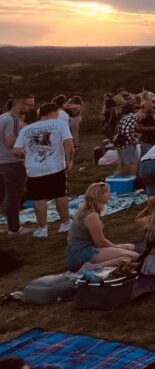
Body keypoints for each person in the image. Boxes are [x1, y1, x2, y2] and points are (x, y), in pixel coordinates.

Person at [13, 101, 74, 238]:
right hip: (56, 166)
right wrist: (70, 161)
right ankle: (65, 223)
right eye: (57, 113)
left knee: (38, 198)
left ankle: (42, 229)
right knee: (60, 194)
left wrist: (27, 156)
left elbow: (16, 150)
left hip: (34, 169)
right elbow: (68, 143)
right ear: (53, 113)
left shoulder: (26, 129)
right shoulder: (60, 124)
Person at [66, 182, 138, 271]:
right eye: (107, 192)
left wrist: (117, 247)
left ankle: (96, 263)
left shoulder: (86, 211)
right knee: (133, 256)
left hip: (79, 251)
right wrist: (116, 247)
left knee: (130, 247)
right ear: (99, 195)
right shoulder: (92, 215)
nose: (109, 194)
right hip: (82, 253)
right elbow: (100, 242)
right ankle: (90, 267)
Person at [0, 94, 35, 237]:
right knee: (13, 196)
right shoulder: (13, 119)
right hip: (11, 163)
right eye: (30, 105)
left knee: (2, 196)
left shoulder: (2, 117)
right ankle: (14, 229)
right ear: (20, 104)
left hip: (1, 162)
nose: (31, 108)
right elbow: (10, 142)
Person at [115, 103, 141, 177]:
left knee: (122, 162)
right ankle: (131, 178)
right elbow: (126, 131)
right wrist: (133, 140)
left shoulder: (123, 118)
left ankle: (119, 179)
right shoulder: (132, 117)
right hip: (127, 143)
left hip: (119, 143)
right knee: (133, 161)